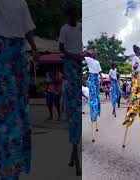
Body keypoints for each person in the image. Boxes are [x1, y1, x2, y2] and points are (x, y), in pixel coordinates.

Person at [0, 0, 37, 178]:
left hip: (18, 50)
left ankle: (18, 163)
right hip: (5, 48)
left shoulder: (21, 2)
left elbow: (27, 29)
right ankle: (10, 169)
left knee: (20, 109)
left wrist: (34, 47)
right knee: (7, 113)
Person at [59, 6, 82, 176]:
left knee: (77, 112)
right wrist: (71, 56)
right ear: (68, 17)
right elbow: (61, 48)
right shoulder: (64, 29)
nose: (74, 19)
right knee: (73, 112)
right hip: (70, 61)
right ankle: (75, 154)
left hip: (79, 62)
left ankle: (74, 154)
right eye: (72, 16)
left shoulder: (80, 27)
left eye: (76, 16)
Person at [122, 45, 140, 148]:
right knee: (136, 100)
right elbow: (134, 68)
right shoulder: (135, 58)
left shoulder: (137, 58)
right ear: (137, 51)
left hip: (139, 85)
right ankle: (130, 117)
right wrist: (136, 66)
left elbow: (137, 70)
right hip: (137, 84)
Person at [84, 49, 103, 142]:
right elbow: (83, 54)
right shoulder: (88, 58)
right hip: (92, 77)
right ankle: (93, 112)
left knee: (97, 96)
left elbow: (99, 71)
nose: (95, 53)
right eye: (93, 52)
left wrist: (102, 78)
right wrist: (88, 51)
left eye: (95, 53)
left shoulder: (97, 62)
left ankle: (96, 111)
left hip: (97, 79)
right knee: (93, 97)